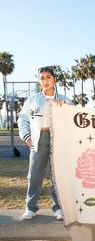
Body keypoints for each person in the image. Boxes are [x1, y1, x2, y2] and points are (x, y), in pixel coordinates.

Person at [18, 66, 71, 220]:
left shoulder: (65, 99)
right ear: (39, 81)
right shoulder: (33, 100)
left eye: (48, 77)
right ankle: (30, 207)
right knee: (34, 173)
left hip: (57, 139)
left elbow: (73, 119)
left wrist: (65, 107)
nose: (45, 80)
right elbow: (22, 118)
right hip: (38, 137)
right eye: (42, 78)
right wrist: (27, 136)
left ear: (55, 80)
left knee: (57, 175)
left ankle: (58, 208)